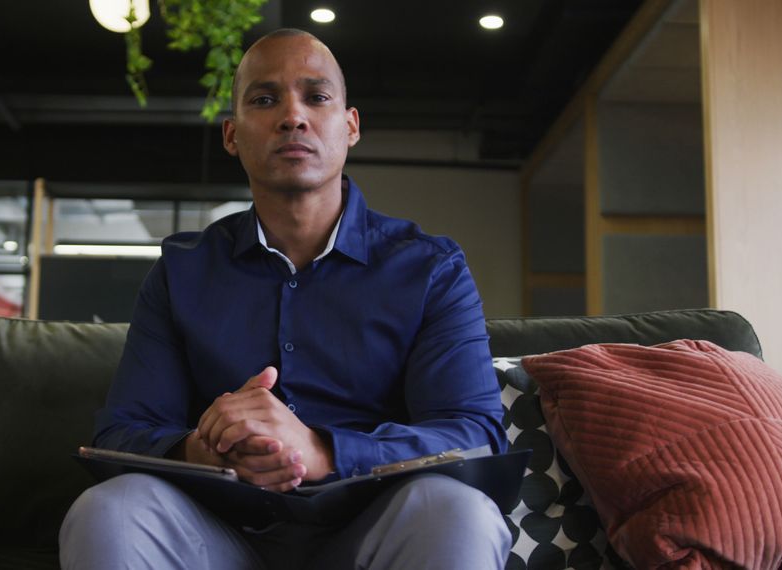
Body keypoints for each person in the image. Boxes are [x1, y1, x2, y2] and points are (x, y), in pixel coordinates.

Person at [59, 28, 511, 569]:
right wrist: (207, 450)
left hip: (372, 532)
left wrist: (322, 450)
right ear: (232, 135)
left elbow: (474, 434)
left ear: (350, 126)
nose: (292, 116)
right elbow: (122, 434)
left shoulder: (431, 268)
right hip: (219, 534)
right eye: (264, 99)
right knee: (108, 509)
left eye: (317, 97)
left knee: (460, 510)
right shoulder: (182, 271)